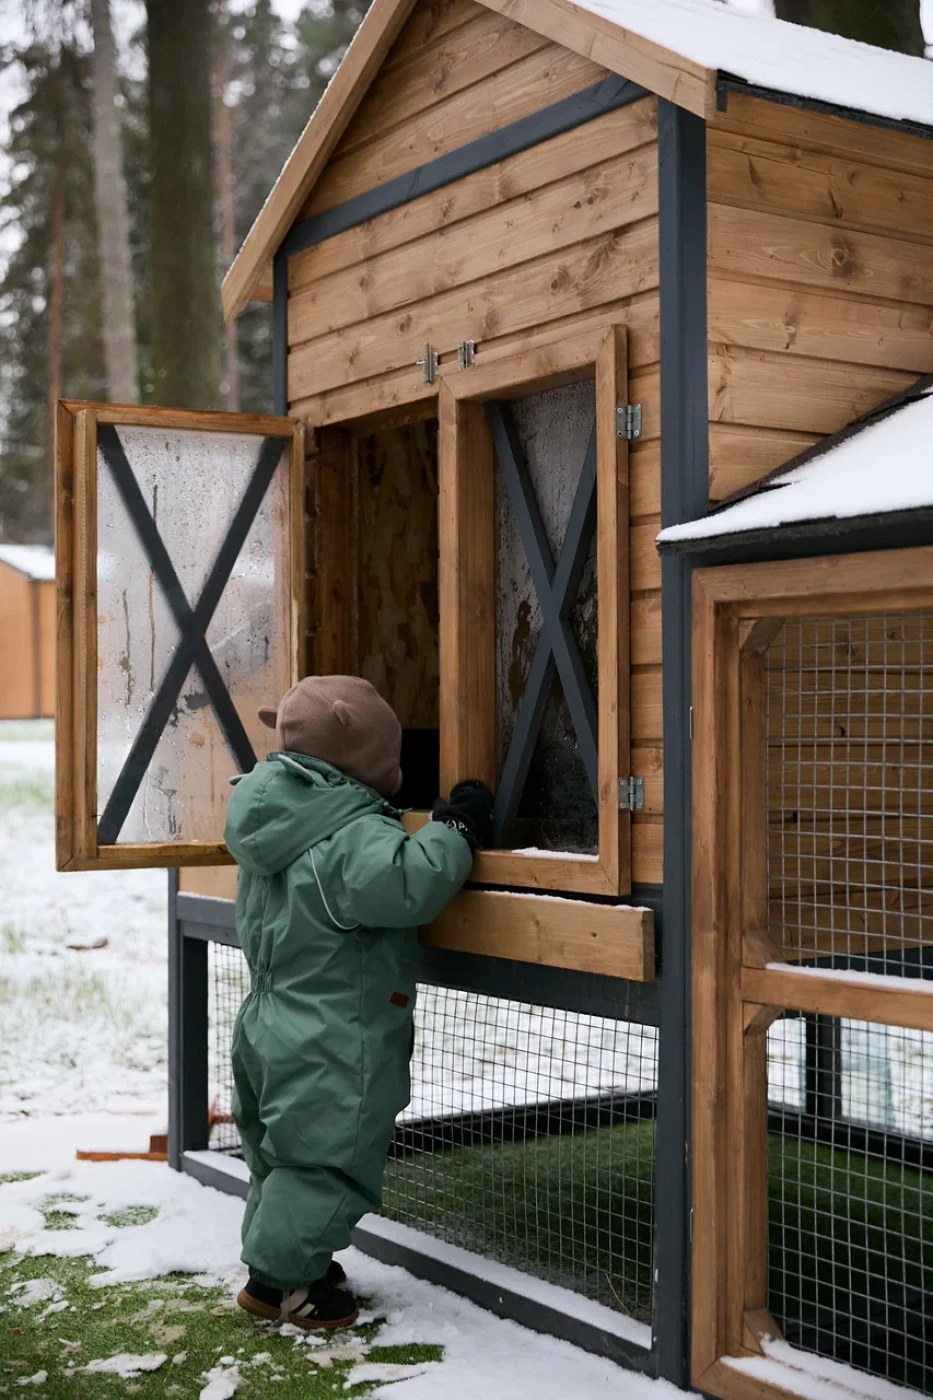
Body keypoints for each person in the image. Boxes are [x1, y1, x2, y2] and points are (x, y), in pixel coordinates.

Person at [223, 674, 493, 1330]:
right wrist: (453, 827)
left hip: (270, 1019)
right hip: (333, 1029)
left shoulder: (276, 814)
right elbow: (409, 883)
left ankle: (294, 1263)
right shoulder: (346, 833)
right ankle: (283, 1285)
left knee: (283, 1154)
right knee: (326, 1159)